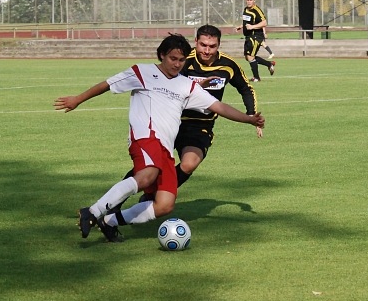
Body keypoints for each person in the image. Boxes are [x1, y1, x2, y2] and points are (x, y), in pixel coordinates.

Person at [54, 34, 265, 242]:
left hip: (165, 147)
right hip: (145, 137)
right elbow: (107, 84)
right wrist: (78, 99)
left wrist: (249, 119)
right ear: (162, 55)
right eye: (173, 59)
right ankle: (91, 211)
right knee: (146, 176)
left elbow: (218, 106)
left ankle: (110, 222)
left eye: (182, 60)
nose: (177, 64)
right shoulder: (142, 72)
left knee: (164, 205)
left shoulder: (186, 85)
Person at [109, 24, 262, 211]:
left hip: (200, 126)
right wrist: (197, 87)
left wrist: (251, 115)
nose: (207, 50)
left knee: (189, 164)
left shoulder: (229, 65)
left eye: (212, 46)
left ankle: (153, 196)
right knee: (148, 167)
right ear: (196, 42)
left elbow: (246, 88)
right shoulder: (183, 61)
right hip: (171, 121)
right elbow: (168, 82)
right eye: (203, 45)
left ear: (219, 45)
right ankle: (115, 203)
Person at [235, 0, 276, 82]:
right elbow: (247, 22)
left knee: (250, 57)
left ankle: (256, 77)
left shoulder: (257, 11)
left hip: (256, 36)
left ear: (254, 1)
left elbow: (264, 23)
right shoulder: (246, 9)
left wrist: (253, 27)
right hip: (248, 36)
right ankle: (269, 64)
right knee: (247, 57)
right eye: (248, 0)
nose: (249, 2)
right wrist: (241, 26)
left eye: (251, 0)